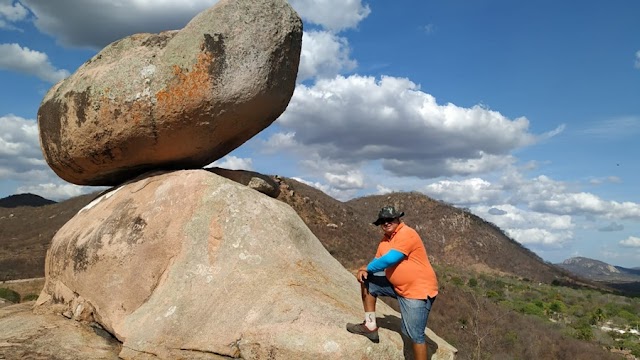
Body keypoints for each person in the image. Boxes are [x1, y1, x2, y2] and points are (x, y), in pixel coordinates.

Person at [346, 205, 438, 360]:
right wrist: (364, 269)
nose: (386, 223)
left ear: (397, 219)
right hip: (398, 287)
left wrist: (366, 268)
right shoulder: (385, 240)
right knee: (367, 281)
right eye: (383, 221)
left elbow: (391, 259)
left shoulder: (407, 233)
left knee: (415, 335)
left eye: (390, 219)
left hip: (417, 291)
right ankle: (370, 326)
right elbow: (378, 260)